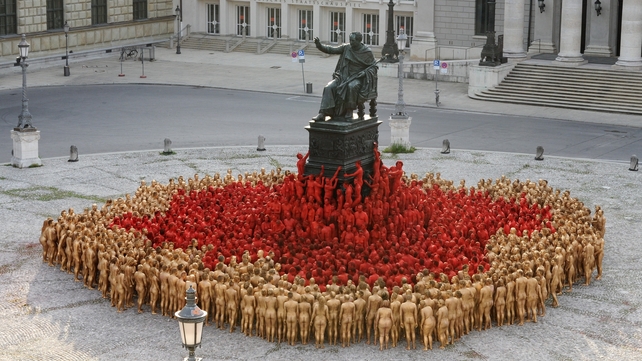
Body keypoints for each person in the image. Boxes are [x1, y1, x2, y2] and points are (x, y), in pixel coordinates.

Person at [312, 32, 378, 121]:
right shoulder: (346, 48)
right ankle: (323, 113)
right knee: (329, 87)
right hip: (343, 76)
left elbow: (373, 67)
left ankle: (349, 111)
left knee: (352, 86)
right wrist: (319, 45)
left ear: (359, 41)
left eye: (353, 40)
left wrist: (364, 74)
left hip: (357, 78)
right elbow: (331, 50)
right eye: (350, 40)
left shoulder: (367, 52)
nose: (350, 42)